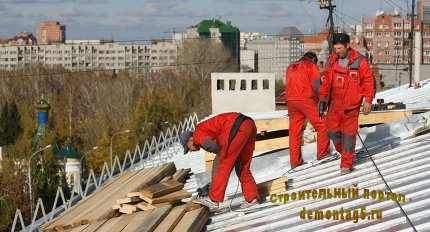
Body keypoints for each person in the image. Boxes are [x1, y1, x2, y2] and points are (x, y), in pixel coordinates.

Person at [318, 33, 375, 175]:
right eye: (335, 48)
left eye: (339, 48)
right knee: (331, 132)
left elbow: (369, 82)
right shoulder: (331, 60)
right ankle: (345, 153)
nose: (337, 51)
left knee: (349, 136)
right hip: (334, 105)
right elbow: (325, 82)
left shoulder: (360, 61)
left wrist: (368, 101)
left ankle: (346, 164)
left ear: (348, 46)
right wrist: (322, 98)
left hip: (351, 107)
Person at [179, 112, 260, 209]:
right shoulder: (204, 129)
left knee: (219, 165)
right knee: (242, 166)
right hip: (248, 124)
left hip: (236, 128)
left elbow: (210, 145)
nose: (190, 151)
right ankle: (252, 198)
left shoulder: (197, 134)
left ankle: (213, 200)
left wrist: (223, 154)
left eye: (188, 148)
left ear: (190, 140)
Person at [285, 51, 330, 169]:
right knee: (323, 123)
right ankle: (323, 154)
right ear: (313, 59)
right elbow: (316, 85)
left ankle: (295, 162)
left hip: (290, 101)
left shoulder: (290, 67)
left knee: (294, 132)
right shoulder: (311, 65)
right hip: (305, 99)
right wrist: (322, 99)